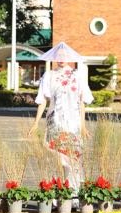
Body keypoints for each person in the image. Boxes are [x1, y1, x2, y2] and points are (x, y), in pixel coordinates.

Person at [28, 42, 93, 190]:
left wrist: (83, 125)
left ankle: (73, 192)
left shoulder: (78, 75)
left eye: (64, 55)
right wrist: (36, 123)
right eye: (58, 56)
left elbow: (82, 101)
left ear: (70, 57)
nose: (61, 58)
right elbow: (43, 100)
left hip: (74, 122)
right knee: (56, 157)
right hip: (55, 121)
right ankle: (57, 193)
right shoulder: (49, 75)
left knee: (73, 157)